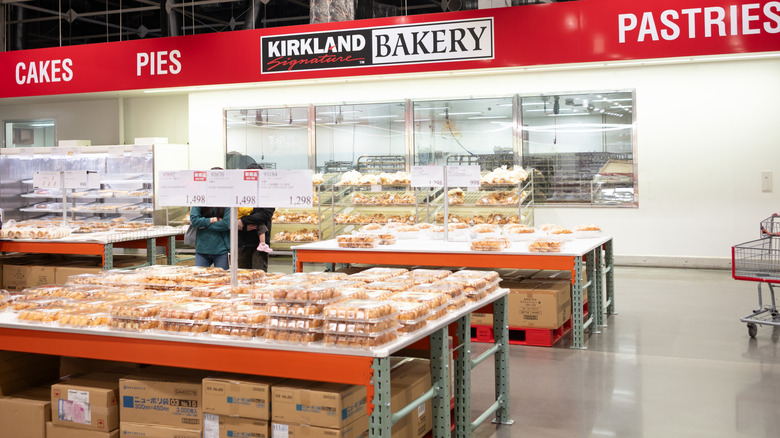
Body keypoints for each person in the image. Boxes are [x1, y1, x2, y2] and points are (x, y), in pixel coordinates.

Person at [237, 163, 275, 271]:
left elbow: (265, 214)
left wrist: (243, 220)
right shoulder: (240, 192)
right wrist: (243, 225)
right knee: (242, 276)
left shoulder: (267, 193)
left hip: (260, 244)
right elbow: (233, 214)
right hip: (242, 240)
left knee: (258, 276)